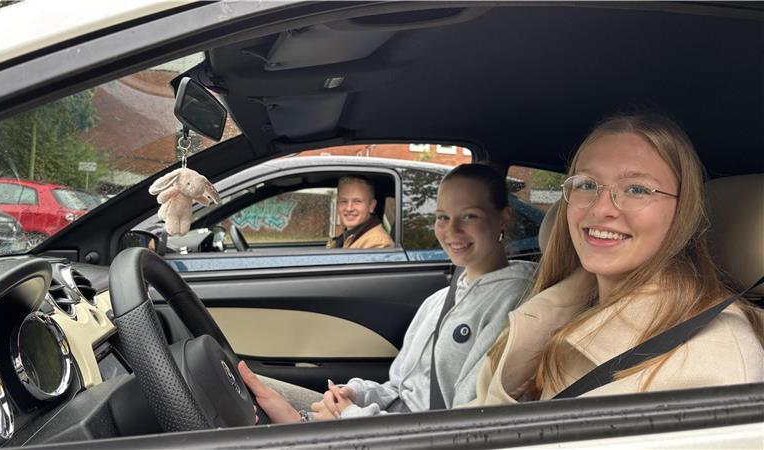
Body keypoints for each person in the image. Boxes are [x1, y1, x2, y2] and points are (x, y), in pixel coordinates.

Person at [466, 114, 764, 406]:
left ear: (682, 213)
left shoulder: (712, 358)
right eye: (586, 184)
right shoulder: (548, 308)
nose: (600, 209)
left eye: (636, 189)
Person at [239, 164, 536, 421]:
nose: (452, 230)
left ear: (504, 218)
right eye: (443, 217)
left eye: (469, 216)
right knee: (246, 388)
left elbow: (466, 424)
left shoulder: (514, 305)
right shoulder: (438, 301)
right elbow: (400, 389)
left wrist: (349, 417)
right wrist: (355, 393)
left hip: (408, 436)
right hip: (387, 426)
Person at [326, 175, 394, 249]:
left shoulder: (377, 245)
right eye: (344, 201)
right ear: (337, 205)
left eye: (357, 201)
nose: (349, 208)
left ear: (371, 206)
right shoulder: (349, 237)